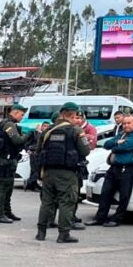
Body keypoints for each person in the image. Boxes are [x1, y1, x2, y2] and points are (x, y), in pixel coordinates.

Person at [35, 102, 91, 243]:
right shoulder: (76, 131)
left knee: (47, 202)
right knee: (66, 203)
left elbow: (38, 150)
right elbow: (85, 151)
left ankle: (41, 233)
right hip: (67, 173)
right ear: (73, 115)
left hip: (48, 172)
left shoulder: (47, 131)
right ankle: (63, 234)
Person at [86, 112, 133, 227]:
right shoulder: (122, 134)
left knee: (124, 196)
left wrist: (116, 146)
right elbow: (107, 144)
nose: (126, 125)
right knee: (105, 193)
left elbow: (124, 147)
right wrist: (117, 142)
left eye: (129, 123)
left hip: (127, 169)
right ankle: (100, 218)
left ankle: (117, 219)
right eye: (124, 123)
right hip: (113, 168)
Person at [0, 103, 33, 224]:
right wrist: (29, 135)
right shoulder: (9, 124)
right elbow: (16, 140)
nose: (22, 117)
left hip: (9, 159)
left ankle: (7, 212)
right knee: (4, 188)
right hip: (6, 160)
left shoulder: (10, 124)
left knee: (8, 188)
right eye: (21, 114)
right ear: (15, 113)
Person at [24, 121, 51, 192]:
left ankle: (33, 185)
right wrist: (27, 150)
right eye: (44, 126)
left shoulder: (49, 134)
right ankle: (29, 183)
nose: (45, 127)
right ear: (41, 127)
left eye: (47, 126)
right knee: (35, 171)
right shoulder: (35, 133)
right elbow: (26, 143)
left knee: (38, 171)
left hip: (42, 155)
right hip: (34, 154)